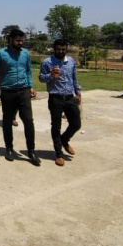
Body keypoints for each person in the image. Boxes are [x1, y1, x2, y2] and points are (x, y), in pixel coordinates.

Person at [0, 28, 40, 165]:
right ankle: (9, 148)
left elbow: (29, 71)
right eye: (18, 40)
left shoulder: (25, 53)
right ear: (10, 39)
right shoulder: (0, 54)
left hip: (23, 91)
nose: (20, 43)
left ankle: (31, 151)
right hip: (8, 92)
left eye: (22, 40)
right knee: (7, 121)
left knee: (28, 120)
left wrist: (31, 86)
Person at [39, 39, 83, 167]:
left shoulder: (71, 61)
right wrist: (51, 75)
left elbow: (74, 78)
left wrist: (78, 93)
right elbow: (41, 78)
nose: (61, 51)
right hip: (55, 98)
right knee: (56, 126)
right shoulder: (47, 62)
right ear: (54, 49)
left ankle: (64, 139)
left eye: (63, 49)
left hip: (70, 97)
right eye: (58, 49)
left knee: (76, 124)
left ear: (66, 49)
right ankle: (58, 154)